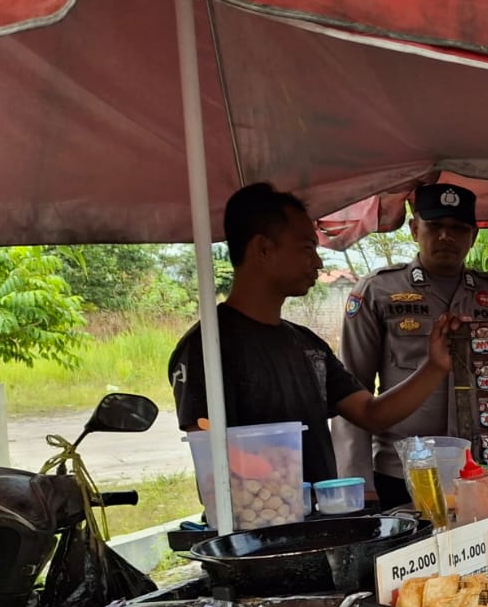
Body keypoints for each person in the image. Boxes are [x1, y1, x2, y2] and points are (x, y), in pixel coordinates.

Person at [169, 182, 455, 487]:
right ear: (263, 249)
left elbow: (372, 414)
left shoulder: (307, 346)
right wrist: (277, 483)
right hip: (254, 527)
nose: (317, 262)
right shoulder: (208, 347)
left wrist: (434, 367)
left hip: (322, 520)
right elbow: (208, 442)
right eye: (307, 247)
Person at [335, 182, 488, 506]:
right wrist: (359, 484)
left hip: (480, 471)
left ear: (473, 236)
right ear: (414, 229)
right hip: (400, 474)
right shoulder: (378, 292)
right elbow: (351, 391)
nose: (446, 236)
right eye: (435, 226)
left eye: (458, 228)